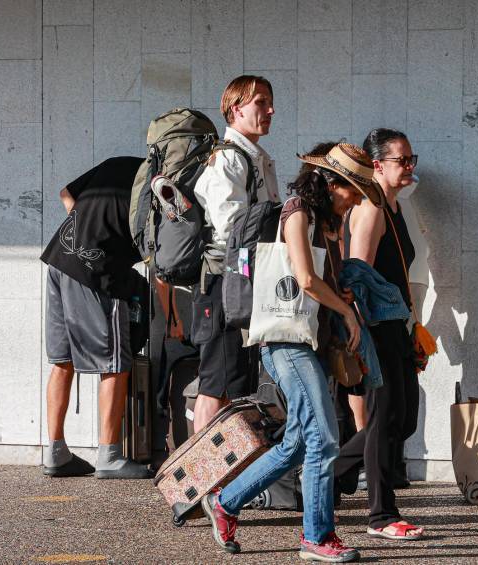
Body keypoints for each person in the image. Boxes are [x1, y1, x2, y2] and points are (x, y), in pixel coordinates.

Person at [200, 143, 383, 562]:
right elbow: (303, 278)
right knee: (324, 436)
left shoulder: (331, 222)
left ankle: (226, 501)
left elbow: (326, 285)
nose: (356, 199)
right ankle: (316, 537)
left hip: (313, 340)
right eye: (352, 189)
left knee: (300, 441)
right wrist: (347, 314)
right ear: (330, 183)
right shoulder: (298, 212)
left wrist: (345, 294)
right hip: (285, 341)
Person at [334, 128, 424, 540]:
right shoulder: (370, 208)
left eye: (410, 159)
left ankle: (325, 473)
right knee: (385, 417)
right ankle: (381, 515)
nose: (408, 166)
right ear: (376, 166)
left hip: (397, 325)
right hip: (376, 328)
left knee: (402, 421)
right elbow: (356, 273)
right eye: (400, 160)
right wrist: (360, 333)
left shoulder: (392, 206)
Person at [40, 157, 153, 479]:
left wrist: (85, 235)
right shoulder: (159, 187)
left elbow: (65, 193)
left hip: (58, 261)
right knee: (117, 361)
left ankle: (56, 452)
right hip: (98, 273)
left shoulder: (118, 164)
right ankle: (110, 456)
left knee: (62, 360)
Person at [191, 75, 280, 431]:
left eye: (270, 102)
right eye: (260, 102)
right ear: (235, 108)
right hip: (223, 282)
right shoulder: (229, 160)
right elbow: (231, 229)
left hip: (242, 281)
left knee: (236, 380)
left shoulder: (255, 158)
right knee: (216, 382)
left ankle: (229, 478)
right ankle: (200, 479)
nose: (270, 110)